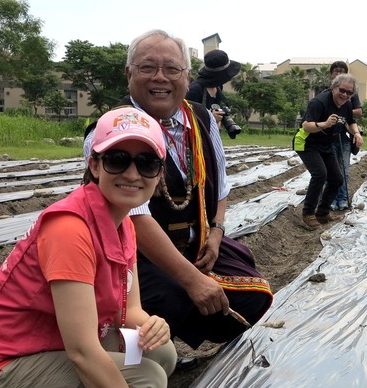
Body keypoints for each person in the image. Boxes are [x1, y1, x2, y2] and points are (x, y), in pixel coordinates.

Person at [0, 107, 183, 388]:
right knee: (146, 382)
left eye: (147, 163)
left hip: (48, 349)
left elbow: (132, 310)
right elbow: (82, 351)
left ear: (159, 175)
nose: (132, 173)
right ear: (94, 165)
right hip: (2, 369)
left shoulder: (122, 223)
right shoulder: (69, 229)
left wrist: (155, 325)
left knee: (160, 353)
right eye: (118, 159)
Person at [83, 30, 273, 367]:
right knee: (171, 297)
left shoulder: (199, 118)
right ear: (129, 74)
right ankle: (133, 357)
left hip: (196, 239)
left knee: (253, 295)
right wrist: (193, 280)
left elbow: (221, 183)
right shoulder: (112, 128)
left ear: (186, 77)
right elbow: (134, 218)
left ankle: (169, 339)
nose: (160, 78)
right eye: (147, 68)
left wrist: (215, 233)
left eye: (172, 69)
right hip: (133, 256)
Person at [295, 73, 364, 229]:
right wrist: (324, 124)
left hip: (326, 144)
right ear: (334, 87)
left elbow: (351, 122)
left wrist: (357, 134)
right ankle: (308, 213)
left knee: (337, 179)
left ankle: (322, 212)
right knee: (320, 174)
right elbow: (306, 126)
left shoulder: (347, 104)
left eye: (349, 92)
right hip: (307, 143)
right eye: (342, 90)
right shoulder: (318, 102)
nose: (345, 95)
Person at [326, 61, 363, 211]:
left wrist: (343, 112)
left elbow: (357, 113)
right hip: (328, 138)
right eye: (335, 71)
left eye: (341, 71)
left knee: (344, 170)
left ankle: (342, 198)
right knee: (331, 171)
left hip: (344, 136)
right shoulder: (325, 94)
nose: (338, 73)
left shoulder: (350, 94)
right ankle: (331, 198)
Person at [185, 49, 241, 129]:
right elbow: (186, 118)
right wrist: (209, 118)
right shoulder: (195, 90)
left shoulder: (218, 86)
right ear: (221, 75)